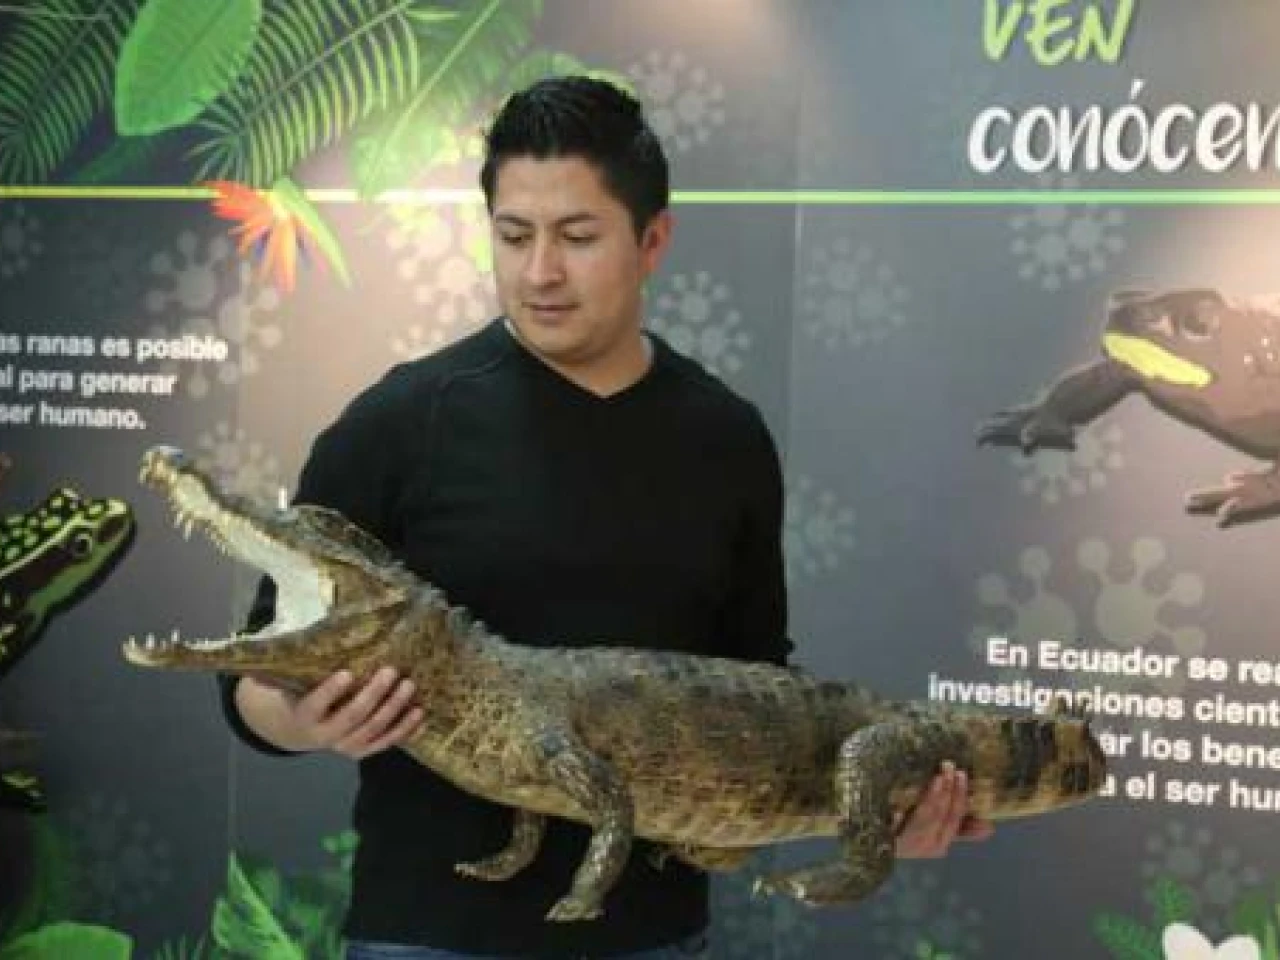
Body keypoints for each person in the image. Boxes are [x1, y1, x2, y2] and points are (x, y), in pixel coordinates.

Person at [218, 75, 993, 959]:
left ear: (652, 240)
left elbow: (756, 683)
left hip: (653, 935)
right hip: (430, 932)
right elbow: (252, 678)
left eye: (578, 237)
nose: (540, 272)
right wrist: (305, 722)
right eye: (514, 235)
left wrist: (878, 815)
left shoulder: (726, 438)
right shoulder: (396, 424)